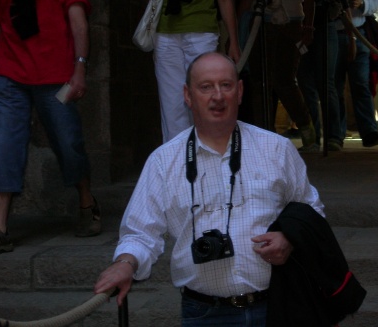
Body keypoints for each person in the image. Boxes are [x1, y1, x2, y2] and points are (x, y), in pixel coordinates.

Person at [94, 52, 325, 326]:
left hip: (278, 306)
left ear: (239, 91)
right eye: (205, 87)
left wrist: (290, 237)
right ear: (188, 95)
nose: (218, 96)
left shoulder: (277, 149)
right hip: (204, 313)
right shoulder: (163, 161)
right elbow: (141, 233)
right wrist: (125, 263)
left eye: (226, 85)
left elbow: (312, 211)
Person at [0, 0, 100, 256]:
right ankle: (0, 229)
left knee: (68, 141)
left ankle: (87, 203)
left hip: (57, 78)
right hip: (10, 78)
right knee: (3, 146)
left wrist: (80, 68)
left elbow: (78, 22)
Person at [137, 0, 240, 143]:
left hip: (202, 34)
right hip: (166, 35)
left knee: (205, 98)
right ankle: (178, 165)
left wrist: (234, 40)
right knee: (171, 105)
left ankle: (209, 154)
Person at [236, 0, 317, 151]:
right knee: (258, 81)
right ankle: (263, 136)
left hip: (290, 22)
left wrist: (308, 26)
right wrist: (236, 30)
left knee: (284, 80)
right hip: (259, 22)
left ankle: (307, 131)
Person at [296, 0, 353, 151]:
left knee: (325, 83)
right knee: (304, 83)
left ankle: (334, 136)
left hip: (325, 27)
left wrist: (351, 38)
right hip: (299, 29)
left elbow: (343, 5)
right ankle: (312, 137)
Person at [334, 0, 378, 147]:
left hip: (359, 34)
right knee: (335, 88)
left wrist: (362, 3)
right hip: (334, 35)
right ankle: (336, 136)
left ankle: (369, 132)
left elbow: (375, 0)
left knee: (361, 85)